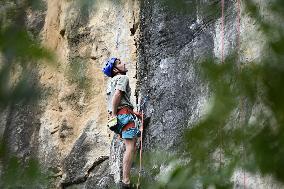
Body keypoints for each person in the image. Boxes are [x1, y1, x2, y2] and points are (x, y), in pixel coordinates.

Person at [102, 58, 141, 189]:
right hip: (122, 116)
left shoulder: (110, 83)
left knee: (131, 144)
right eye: (119, 63)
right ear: (115, 70)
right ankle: (126, 181)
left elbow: (116, 101)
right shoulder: (122, 78)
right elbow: (118, 95)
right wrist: (114, 112)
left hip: (118, 119)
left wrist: (114, 115)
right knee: (130, 146)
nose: (123, 64)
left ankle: (126, 175)